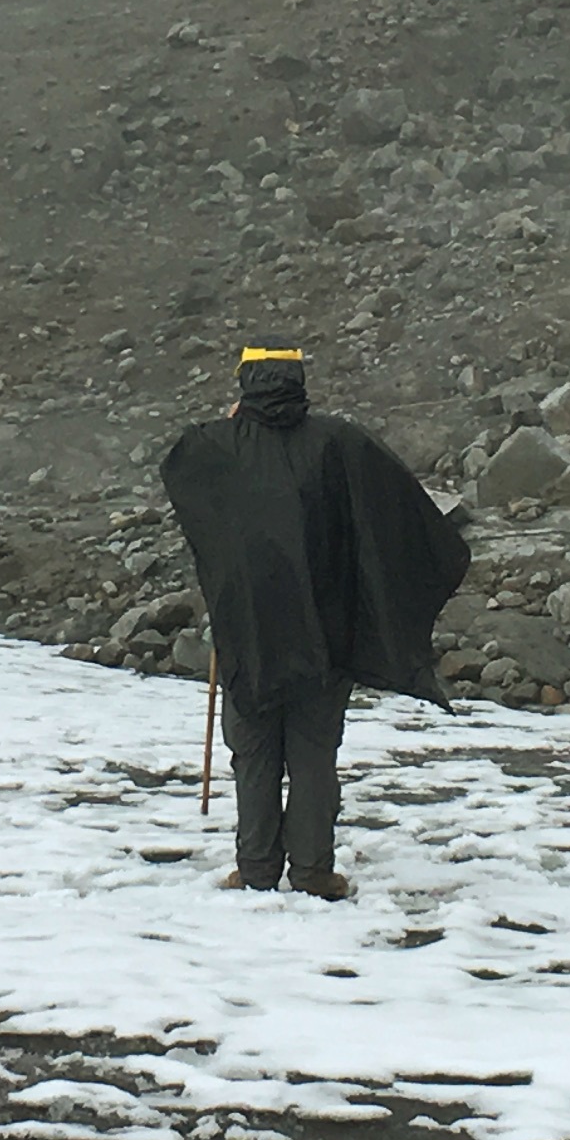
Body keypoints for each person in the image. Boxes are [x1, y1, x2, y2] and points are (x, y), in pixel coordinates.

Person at [160, 343, 470, 900]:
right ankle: (311, 872)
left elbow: (183, 475)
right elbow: (395, 507)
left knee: (253, 753)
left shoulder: (213, 446)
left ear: (244, 385)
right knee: (312, 756)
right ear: (299, 382)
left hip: (247, 631)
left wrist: (230, 426)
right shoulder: (336, 442)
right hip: (322, 634)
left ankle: (255, 869)